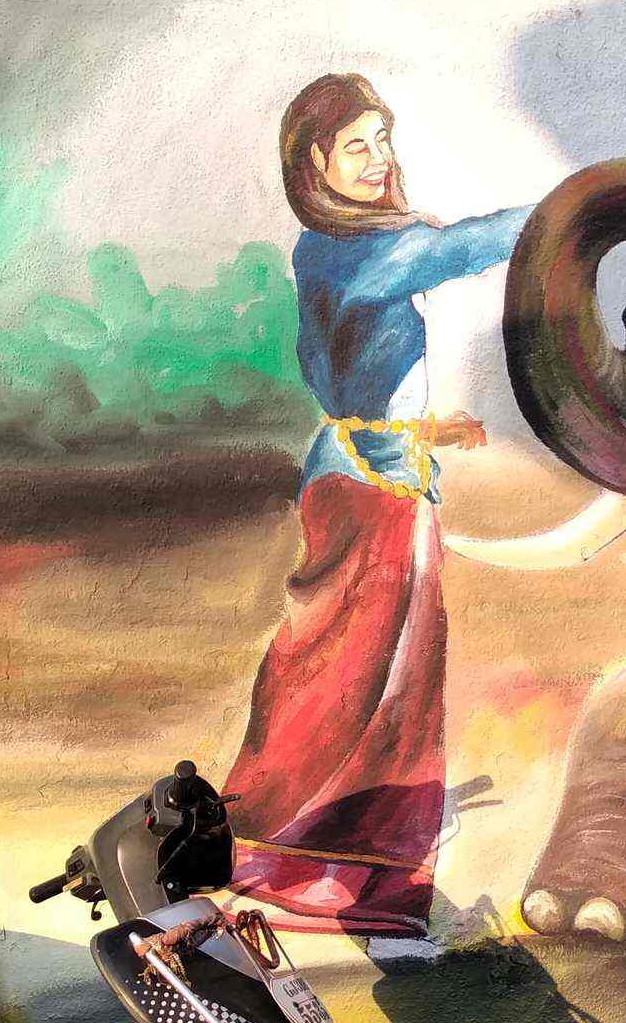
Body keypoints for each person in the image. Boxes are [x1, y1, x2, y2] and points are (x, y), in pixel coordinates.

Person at [224, 72, 532, 933]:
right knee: (343, 676)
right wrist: (577, 208)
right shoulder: (344, 253)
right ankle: (292, 861)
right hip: (366, 492)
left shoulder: (351, 248)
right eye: (355, 146)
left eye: (383, 139)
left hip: (385, 477)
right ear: (314, 164)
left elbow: (362, 388)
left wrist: (431, 431)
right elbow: (465, 248)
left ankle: (356, 871)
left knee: (391, 679)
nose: (377, 159)